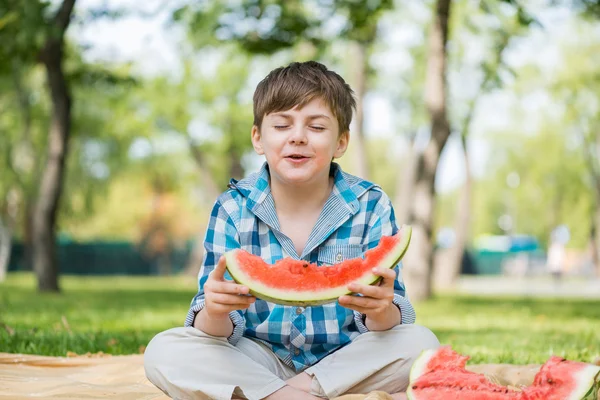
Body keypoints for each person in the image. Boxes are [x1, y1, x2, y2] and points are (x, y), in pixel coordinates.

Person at [144, 61, 439, 400]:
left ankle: (285, 394)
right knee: (163, 350)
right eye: (282, 125)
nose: (297, 136)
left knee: (421, 343)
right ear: (259, 138)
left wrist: (381, 310)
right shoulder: (231, 207)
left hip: (343, 359)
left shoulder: (371, 204)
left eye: (316, 127)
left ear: (341, 142)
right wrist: (214, 310)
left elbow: (387, 323)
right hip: (255, 358)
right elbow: (215, 333)